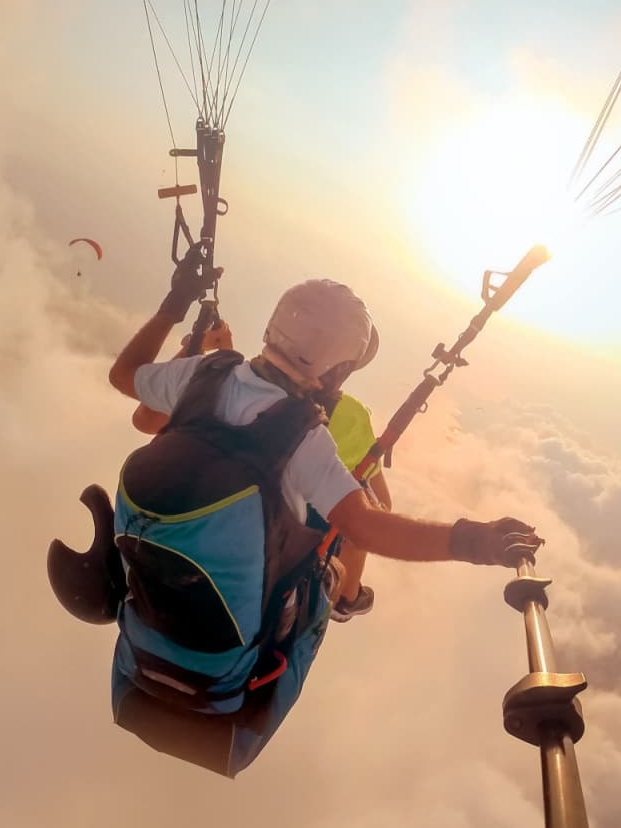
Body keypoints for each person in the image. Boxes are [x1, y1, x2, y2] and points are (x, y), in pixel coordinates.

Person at [97, 254, 542, 776]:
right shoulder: (305, 439)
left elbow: (124, 376)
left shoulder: (199, 376)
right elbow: (367, 525)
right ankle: (344, 599)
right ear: (335, 370)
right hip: (225, 684)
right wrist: (475, 540)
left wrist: (174, 306)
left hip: (143, 637)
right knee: (322, 573)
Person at [130, 319, 388, 621]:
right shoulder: (351, 419)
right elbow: (380, 505)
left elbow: (148, 420)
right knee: (360, 519)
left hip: (178, 519)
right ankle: (346, 599)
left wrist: (198, 351)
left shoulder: (230, 382)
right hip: (264, 554)